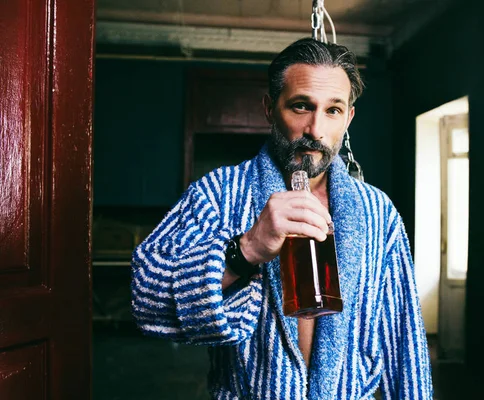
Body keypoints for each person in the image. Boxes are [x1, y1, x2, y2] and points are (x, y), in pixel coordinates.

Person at [131, 37, 433, 399]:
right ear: (269, 108)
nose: (316, 129)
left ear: (348, 117)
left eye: (333, 110)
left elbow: (405, 342)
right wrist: (245, 251)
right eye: (301, 106)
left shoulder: (377, 213)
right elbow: (145, 297)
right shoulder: (219, 194)